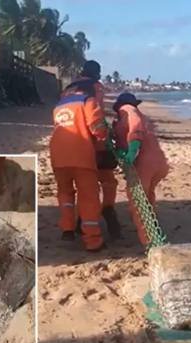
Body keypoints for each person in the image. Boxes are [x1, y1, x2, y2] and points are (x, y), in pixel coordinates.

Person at [64, 60, 121, 238]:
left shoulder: (68, 88)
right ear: (96, 73)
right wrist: (106, 135)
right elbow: (97, 115)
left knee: (81, 184)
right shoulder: (96, 87)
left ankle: (78, 220)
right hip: (92, 142)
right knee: (108, 181)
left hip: (68, 140)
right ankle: (108, 209)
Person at [50, 82, 109, 252]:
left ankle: (67, 229)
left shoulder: (58, 106)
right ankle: (93, 241)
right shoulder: (88, 101)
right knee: (88, 197)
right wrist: (105, 137)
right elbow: (97, 128)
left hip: (58, 156)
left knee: (65, 192)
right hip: (81, 155)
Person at [112, 92, 169, 247]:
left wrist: (132, 150)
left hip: (144, 163)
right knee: (148, 197)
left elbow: (135, 130)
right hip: (159, 162)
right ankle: (155, 232)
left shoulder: (128, 110)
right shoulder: (141, 117)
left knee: (138, 202)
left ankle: (151, 242)